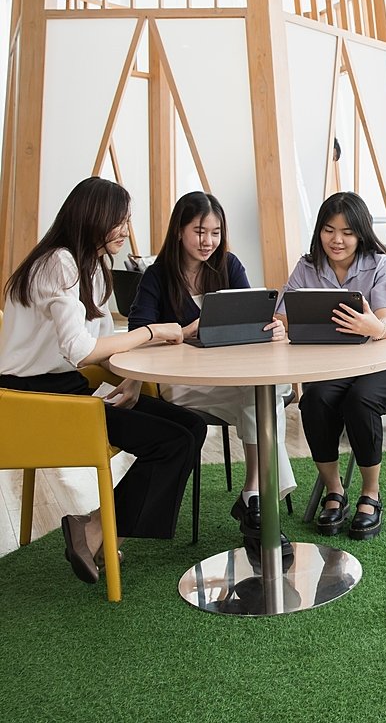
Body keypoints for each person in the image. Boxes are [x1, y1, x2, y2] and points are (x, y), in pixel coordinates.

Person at [0, 177, 206, 586]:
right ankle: (96, 532)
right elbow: (79, 349)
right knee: (172, 441)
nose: (126, 230)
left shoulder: (90, 267)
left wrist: (129, 379)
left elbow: (98, 346)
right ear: (93, 218)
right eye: (120, 220)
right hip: (32, 400)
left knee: (191, 426)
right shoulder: (59, 263)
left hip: (64, 389)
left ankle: (95, 528)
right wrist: (150, 333)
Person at [127, 191, 296, 538]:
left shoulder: (228, 265)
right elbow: (137, 336)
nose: (208, 241)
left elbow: (254, 317)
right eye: (199, 231)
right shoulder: (157, 276)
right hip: (183, 384)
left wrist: (272, 325)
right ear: (179, 230)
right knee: (266, 397)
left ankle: (253, 496)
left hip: (232, 378)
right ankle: (259, 503)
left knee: (262, 390)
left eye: (215, 232)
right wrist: (184, 331)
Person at [276, 191, 386, 540]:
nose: (337, 240)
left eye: (347, 232)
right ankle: (334, 490)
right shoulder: (307, 266)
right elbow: (282, 313)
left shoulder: (380, 263)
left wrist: (376, 327)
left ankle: (371, 494)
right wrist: (277, 324)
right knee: (314, 399)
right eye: (328, 230)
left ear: (361, 233)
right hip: (339, 364)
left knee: (360, 399)